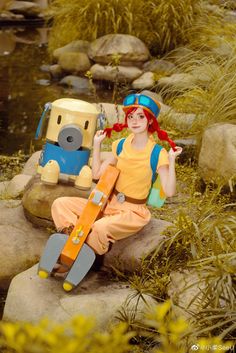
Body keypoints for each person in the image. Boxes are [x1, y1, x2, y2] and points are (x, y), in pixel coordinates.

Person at [51, 93, 182, 260]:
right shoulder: (120, 145)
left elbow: (169, 192)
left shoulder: (157, 153)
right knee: (60, 204)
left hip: (133, 213)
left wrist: (171, 161)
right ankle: (71, 242)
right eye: (131, 116)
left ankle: (88, 256)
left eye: (141, 116)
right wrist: (97, 145)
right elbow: (97, 174)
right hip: (107, 204)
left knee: (99, 228)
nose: (134, 121)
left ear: (150, 121)